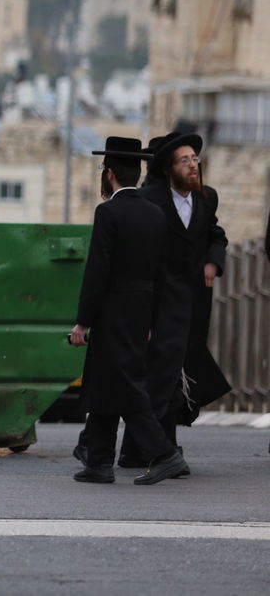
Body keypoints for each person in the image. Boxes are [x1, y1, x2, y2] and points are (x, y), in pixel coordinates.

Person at [68, 137, 186, 485]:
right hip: (140, 313)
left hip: (112, 312)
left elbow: (98, 271)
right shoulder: (155, 214)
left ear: (108, 174)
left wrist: (82, 322)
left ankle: (165, 455)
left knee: (125, 386)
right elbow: (163, 272)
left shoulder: (108, 212)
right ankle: (99, 462)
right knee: (108, 383)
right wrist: (152, 320)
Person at [123, 129, 230, 468]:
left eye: (195, 160)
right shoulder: (151, 200)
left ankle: (149, 448)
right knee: (160, 372)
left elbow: (216, 233)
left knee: (180, 371)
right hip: (161, 301)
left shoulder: (205, 199)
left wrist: (213, 260)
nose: (193, 166)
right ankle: (154, 448)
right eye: (185, 161)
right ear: (169, 168)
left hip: (195, 302)